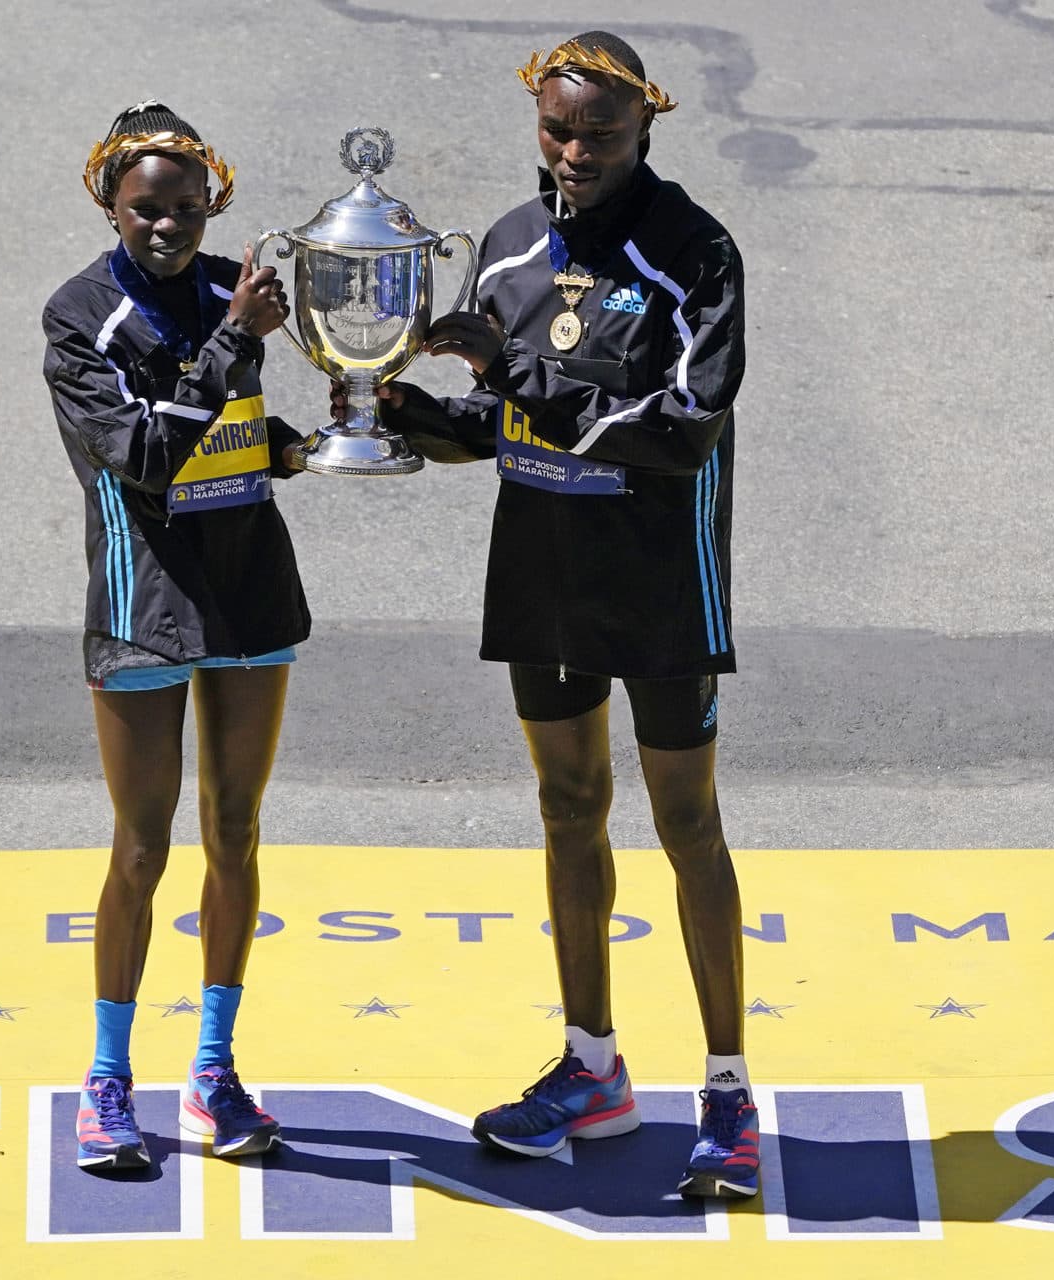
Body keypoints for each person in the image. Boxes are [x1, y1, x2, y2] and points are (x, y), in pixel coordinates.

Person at [356, 33, 756, 1198]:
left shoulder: (697, 250)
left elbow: (684, 429)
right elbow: (502, 431)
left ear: (646, 132)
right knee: (568, 803)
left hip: (658, 568)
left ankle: (727, 1090)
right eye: (556, 131)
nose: (574, 153)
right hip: (541, 567)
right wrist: (395, 410)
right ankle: (593, 1063)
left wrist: (510, 375)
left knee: (687, 821)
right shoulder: (508, 245)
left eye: (599, 135)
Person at [41, 100, 309, 1170]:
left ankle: (214, 1066)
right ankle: (107, 1078)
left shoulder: (226, 287)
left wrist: (296, 444)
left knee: (235, 832)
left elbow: (230, 426)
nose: (166, 226)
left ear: (215, 203)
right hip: (144, 600)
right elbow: (145, 453)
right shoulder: (78, 317)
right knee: (143, 846)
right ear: (109, 199)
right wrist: (238, 340)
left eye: (187, 208)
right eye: (146, 208)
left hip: (249, 591)